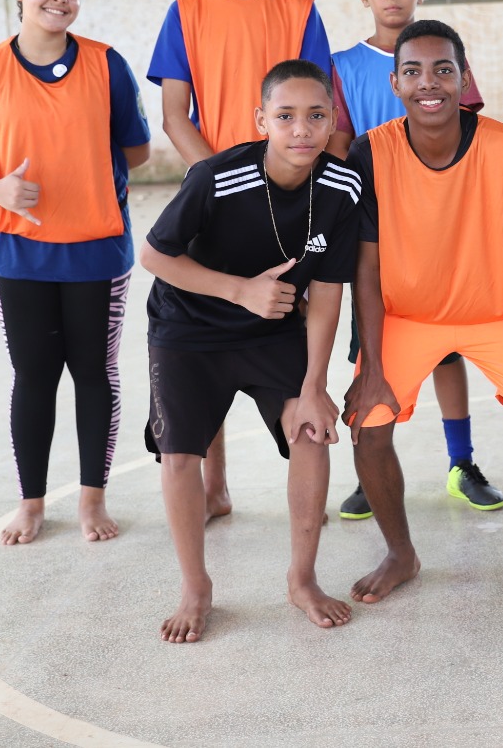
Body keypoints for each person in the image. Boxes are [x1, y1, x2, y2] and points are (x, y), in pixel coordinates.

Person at [344, 20, 503, 599]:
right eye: (414, 71)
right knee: (369, 429)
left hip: (492, 315)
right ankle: (400, 555)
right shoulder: (370, 151)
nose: (429, 83)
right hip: (406, 317)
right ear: (395, 82)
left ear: (465, 78)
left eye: (443, 69)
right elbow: (367, 269)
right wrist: (371, 366)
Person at [140, 60, 360, 641]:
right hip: (189, 326)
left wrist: (315, 386)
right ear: (261, 120)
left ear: (332, 118)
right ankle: (196, 587)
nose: (301, 130)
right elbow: (155, 256)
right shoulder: (217, 177)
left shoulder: (342, 188)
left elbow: (329, 294)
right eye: (285, 116)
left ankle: (302, 578)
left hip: (272, 331)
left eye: (316, 115)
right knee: (179, 454)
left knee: (311, 428)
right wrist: (242, 290)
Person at [0, 0, 150, 546]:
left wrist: (92, 152)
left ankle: (92, 499)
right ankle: (31, 502)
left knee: (95, 374)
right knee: (33, 375)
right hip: (20, 251)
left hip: (96, 249)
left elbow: (136, 150)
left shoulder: (106, 63)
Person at [146, 0, 331, 524]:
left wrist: (273, 186)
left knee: (288, 324)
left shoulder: (301, 8)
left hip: (287, 202)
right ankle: (215, 486)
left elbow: (315, 103)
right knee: (204, 344)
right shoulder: (186, 11)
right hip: (213, 201)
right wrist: (223, 184)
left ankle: (308, 475)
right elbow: (174, 115)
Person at [325, 0, 503, 521]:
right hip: (378, 231)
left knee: (447, 349)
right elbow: (337, 145)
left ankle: (462, 463)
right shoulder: (345, 66)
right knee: (372, 351)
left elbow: (471, 131)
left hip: (443, 227)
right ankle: (370, 476)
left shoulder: (440, 54)